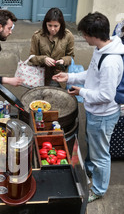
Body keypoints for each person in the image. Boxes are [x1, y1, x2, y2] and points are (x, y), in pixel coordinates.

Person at [53, 12, 124, 203]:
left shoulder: (110, 62)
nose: (83, 37)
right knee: (93, 145)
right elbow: (91, 74)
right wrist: (69, 77)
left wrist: (81, 92)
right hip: (94, 111)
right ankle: (91, 170)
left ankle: (99, 189)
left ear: (93, 34)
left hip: (103, 115)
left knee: (102, 154)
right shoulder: (100, 50)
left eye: (84, 34)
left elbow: (106, 96)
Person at [29, 7, 75, 87]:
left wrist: (63, 61)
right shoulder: (37, 36)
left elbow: (71, 57)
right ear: (45, 24)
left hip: (59, 76)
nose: (52, 29)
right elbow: (31, 57)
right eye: (49, 25)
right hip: (41, 76)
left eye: (56, 26)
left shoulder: (68, 36)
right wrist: (43, 59)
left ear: (61, 25)